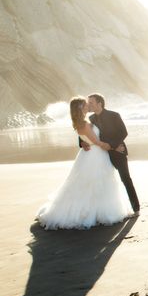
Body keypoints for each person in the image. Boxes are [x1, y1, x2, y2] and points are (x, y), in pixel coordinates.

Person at [36, 97, 133, 230]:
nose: (88, 105)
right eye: (85, 104)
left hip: (91, 154)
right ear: (80, 108)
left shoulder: (82, 122)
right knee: (95, 183)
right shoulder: (86, 123)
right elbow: (97, 142)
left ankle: (98, 210)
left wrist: (84, 142)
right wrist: (114, 147)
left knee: (92, 184)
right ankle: (98, 212)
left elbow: (89, 138)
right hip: (95, 155)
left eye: (89, 103)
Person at [81, 93, 140, 214]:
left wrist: (112, 146)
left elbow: (123, 132)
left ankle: (136, 208)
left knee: (125, 179)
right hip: (100, 155)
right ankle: (103, 211)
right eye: (88, 103)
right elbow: (85, 133)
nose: (89, 105)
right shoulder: (90, 119)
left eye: (91, 102)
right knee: (101, 182)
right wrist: (82, 143)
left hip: (118, 152)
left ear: (99, 103)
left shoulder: (114, 115)